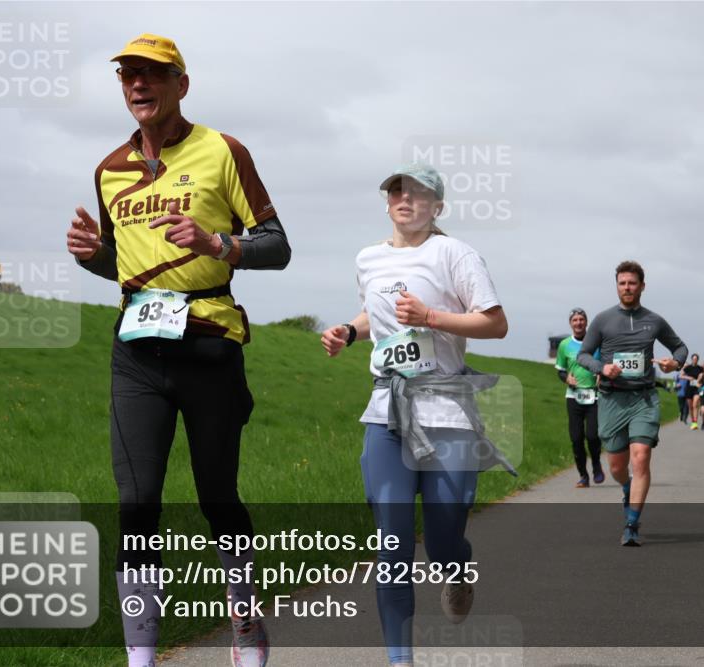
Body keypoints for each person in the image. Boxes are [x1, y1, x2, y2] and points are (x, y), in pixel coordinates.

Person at [66, 33, 290, 667]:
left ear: (180, 85)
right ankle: (140, 659)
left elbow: (277, 245)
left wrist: (218, 244)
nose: (138, 84)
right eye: (128, 76)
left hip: (210, 346)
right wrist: (92, 259)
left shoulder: (224, 150)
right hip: (136, 350)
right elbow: (122, 265)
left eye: (152, 75)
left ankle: (246, 627)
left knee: (217, 496)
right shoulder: (110, 168)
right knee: (136, 501)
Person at [320, 163, 511, 667]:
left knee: (445, 537)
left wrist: (431, 316)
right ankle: (400, 660)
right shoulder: (368, 258)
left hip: (446, 411)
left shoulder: (455, 253)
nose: (405, 199)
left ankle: (458, 567)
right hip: (387, 411)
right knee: (393, 546)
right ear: (386, 203)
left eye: (417, 193)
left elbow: (495, 323)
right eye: (396, 191)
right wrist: (347, 329)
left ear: (437, 207)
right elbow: (374, 316)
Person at [576, 261, 687, 547]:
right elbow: (583, 356)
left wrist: (674, 362)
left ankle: (631, 524)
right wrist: (602, 368)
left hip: (643, 397)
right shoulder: (602, 320)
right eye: (622, 283)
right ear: (617, 286)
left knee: (641, 456)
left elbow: (680, 347)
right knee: (616, 466)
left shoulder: (654, 320)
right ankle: (626, 487)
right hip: (613, 398)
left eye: (632, 283)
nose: (627, 287)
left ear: (642, 286)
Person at [555, 308, 604, 487]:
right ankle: (583, 475)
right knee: (576, 438)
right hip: (573, 396)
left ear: (586, 322)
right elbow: (560, 370)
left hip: (594, 396)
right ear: (570, 323)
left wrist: (601, 375)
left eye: (581, 319)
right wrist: (566, 378)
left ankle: (597, 464)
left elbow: (605, 364)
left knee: (592, 436)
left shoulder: (596, 343)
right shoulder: (564, 345)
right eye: (575, 320)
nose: (578, 323)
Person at [680, 353, 703, 431]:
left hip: (697, 388)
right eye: (693, 359)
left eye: (696, 359)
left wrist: (700, 378)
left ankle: (695, 422)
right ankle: (693, 421)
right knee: (690, 407)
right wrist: (688, 377)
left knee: (695, 405)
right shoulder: (688, 367)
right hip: (689, 388)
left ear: (698, 360)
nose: (695, 360)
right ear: (691, 359)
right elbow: (681, 375)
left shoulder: (700, 368)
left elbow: (702, 375)